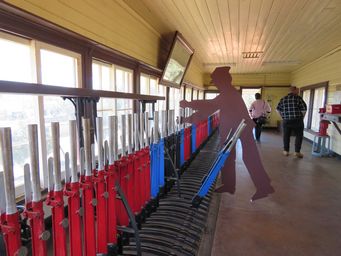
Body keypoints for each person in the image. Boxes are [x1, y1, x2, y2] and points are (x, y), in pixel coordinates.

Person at [180, 66, 274, 201]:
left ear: (224, 81)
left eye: (217, 81)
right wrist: (188, 119)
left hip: (242, 128)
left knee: (249, 157)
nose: (216, 84)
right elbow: (209, 109)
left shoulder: (229, 93)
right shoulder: (227, 92)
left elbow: (210, 105)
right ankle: (229, 185)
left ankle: (264, 187)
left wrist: (189, 104)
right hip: (233, 128)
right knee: (228, 157)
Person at [276, 86, 307, 158]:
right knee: (299, 135)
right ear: (294, 90)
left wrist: (283, 117)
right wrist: (302, 118)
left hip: (286, 120)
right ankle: (297, 152)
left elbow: (277, 110)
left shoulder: (283, 99)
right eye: (297, 90)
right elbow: (304, 110)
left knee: (286, 135)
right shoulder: (298, 98)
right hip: (297, 120)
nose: (298, 92)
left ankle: (286, 151)